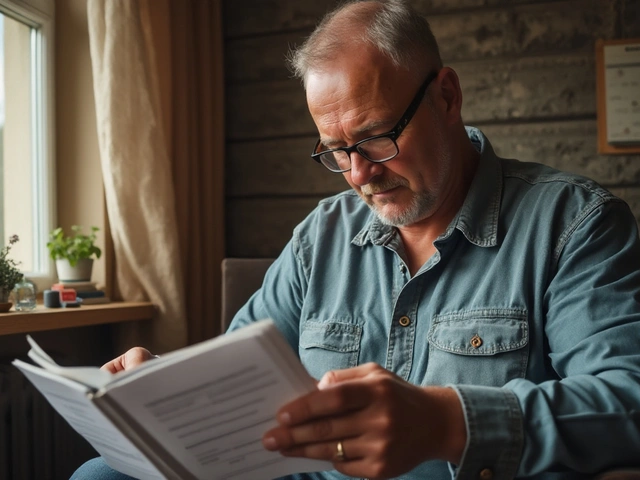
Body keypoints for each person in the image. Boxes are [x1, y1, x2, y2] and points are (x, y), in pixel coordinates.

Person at [72, 1, 640, 479]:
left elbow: (626, 400)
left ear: (446, 97)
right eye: (335, 150)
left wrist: (447, 423)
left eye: (375, 138)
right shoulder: (320, 237)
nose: (358, 173)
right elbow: (231, 375)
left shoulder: (575, 224)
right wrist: (160, 384)